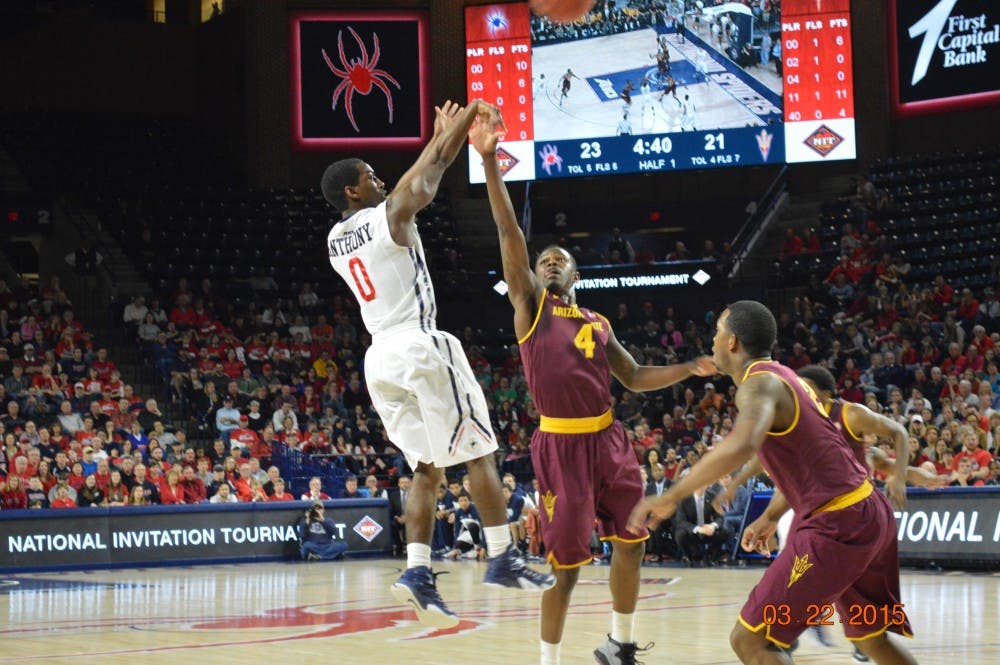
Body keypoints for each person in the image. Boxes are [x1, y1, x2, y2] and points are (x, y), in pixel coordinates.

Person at [471, 119, 715, 665]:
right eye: (542, 261)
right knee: (567, 569)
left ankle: (620, 644)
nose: (550, 262)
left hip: (610, 441)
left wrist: (689, 367)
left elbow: (632, 376)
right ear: (531, 276)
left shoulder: (598, 320)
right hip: (561, 448)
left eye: (560, 259)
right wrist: (489, 162)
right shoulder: (531, 309)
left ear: (577, 271)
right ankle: (549, 661)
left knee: (633, 541)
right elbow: (510, 235)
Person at [319, 99, 554, 629]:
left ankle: (417, 569)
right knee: (480, 455)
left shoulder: (336, 239)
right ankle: (502, 557)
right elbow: (423, 182)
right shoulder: (387, 218)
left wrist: (436, 140)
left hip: (379, 359)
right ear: (353, 191)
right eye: (370, 177)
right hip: (420, 345)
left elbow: (411, 179)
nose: (380, 181)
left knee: (426, 466)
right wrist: (466, 120)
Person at [628, 301, 918, 665]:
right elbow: (803, 460)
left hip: (838, 526)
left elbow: (744, 443)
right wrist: (769, 517)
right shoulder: (785, 376)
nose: (713, 340)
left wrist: (673, 494)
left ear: (732, 342)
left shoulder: (758, 383)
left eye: (717, 332)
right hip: (867, 513)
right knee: (873, 640)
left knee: (751, 642)